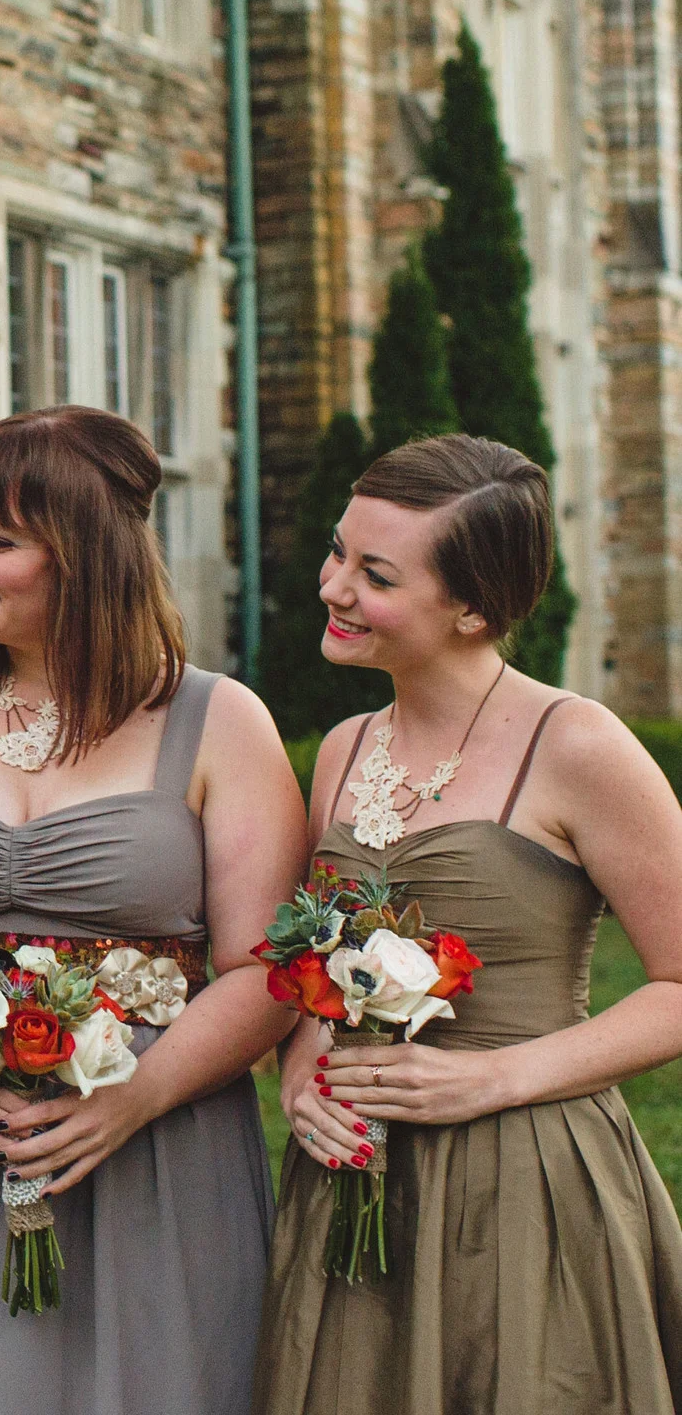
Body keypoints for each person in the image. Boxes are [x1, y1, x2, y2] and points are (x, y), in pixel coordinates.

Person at [0, 405, 304, 1413]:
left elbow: (265, 967)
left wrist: (135, 1095)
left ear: (89, 556)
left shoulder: (219, 720)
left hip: (150, 1143)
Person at [254, 433, 682, 1413]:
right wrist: (303, 1069)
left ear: (473, 609)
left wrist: (492, 1077)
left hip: (523, 1174)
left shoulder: (576, 744)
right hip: (354, 1178)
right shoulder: (343, 748)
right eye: (337, 552)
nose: (333, 586)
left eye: (375, 575)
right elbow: (316, 960)